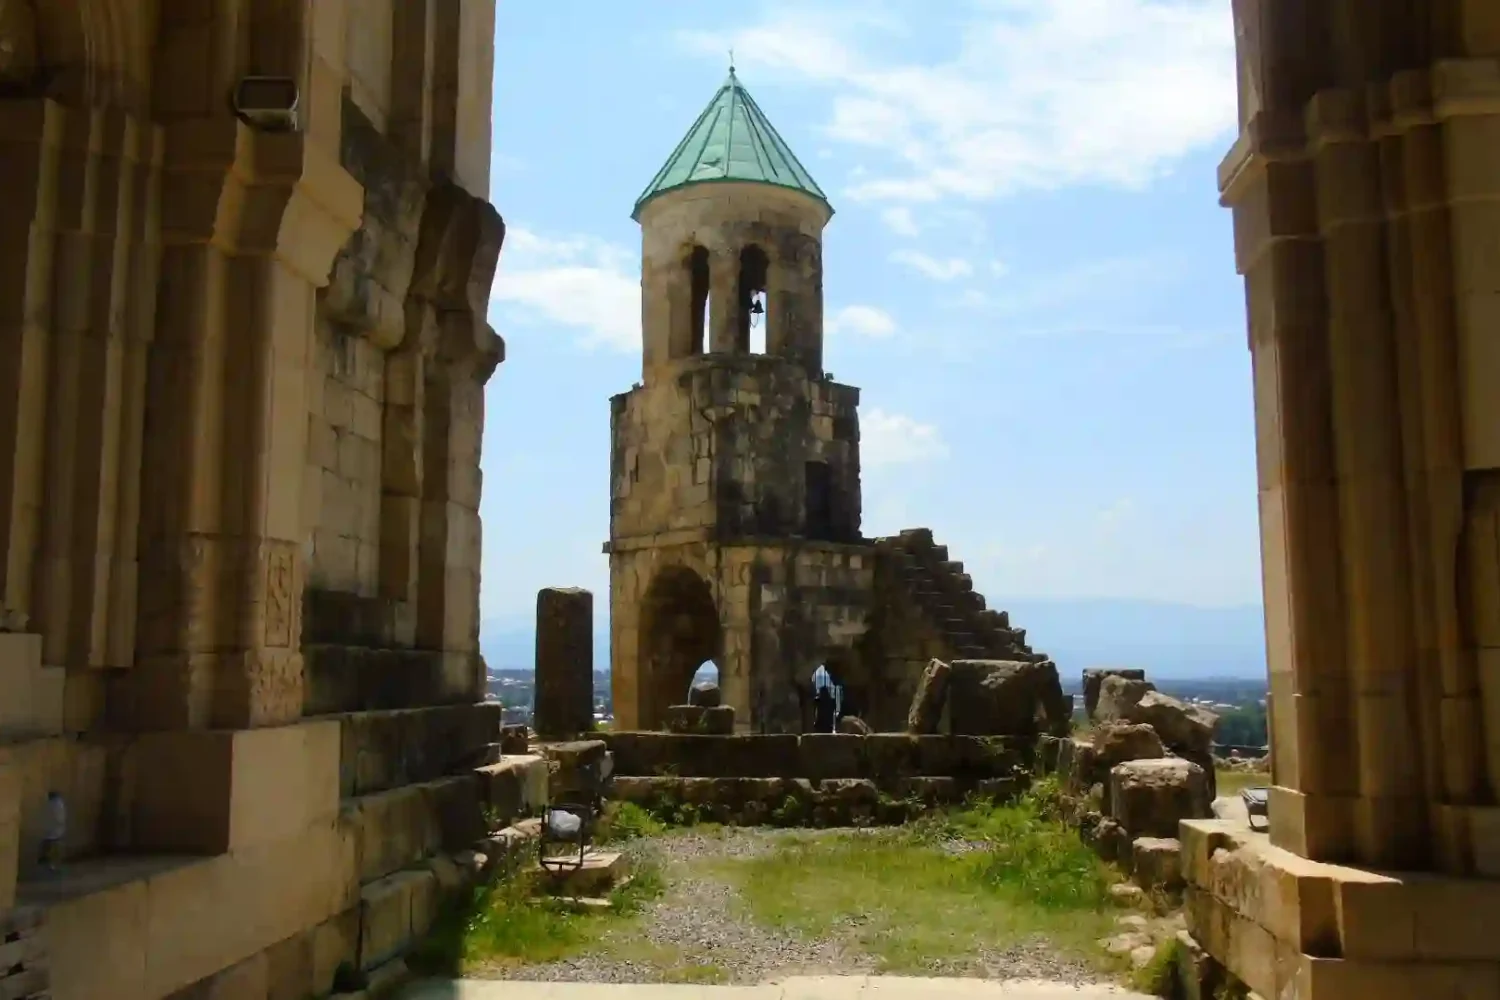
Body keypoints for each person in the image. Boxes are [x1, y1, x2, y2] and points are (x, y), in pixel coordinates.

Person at [39, 790, 65, 873]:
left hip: (52, 831)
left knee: (50, 846)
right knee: (53, 847)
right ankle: (51, 864)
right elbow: (60, 817)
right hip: (55, 831)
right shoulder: (58, 804)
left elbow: (57, 817)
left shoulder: (53, 804)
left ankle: (48, 863)